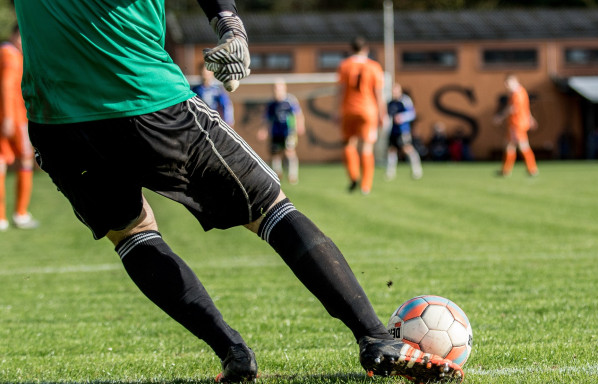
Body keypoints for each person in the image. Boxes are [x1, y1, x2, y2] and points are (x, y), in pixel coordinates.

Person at [15, 1, 463, 383]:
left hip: (56, 122)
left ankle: (233, 355)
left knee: (131, 233)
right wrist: (229, 23)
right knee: (270, 207)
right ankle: (375, 338)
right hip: (142, 95)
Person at [336, 36, 387, 195]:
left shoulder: (344, 65)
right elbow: (378, 94)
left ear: (351, 49)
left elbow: (340, 91)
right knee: (366, 147)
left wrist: (336, 110)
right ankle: (366, 185)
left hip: (349, 110)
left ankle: (353, 177)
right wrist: (382, 114)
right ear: (366, 50)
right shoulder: (374, 67)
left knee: (348, 144)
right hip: (368, 110)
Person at [0, 24, 38, 231]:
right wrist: (8, 117)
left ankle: (2, 218)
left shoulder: (5, 53)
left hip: (8, 117)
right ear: (16, 35)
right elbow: (6, 86)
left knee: (2, 163)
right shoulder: (10, 55)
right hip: (14, 119)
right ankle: (20, 214)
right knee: (25, 161)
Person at [257, 79, 304, 185]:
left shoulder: (290, 101)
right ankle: (277, 173)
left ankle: (293, 175)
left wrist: (300, 125)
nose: (276, 90)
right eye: (275, 88)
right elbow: (266, 119)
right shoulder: (271, 104)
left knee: (289, 151)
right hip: (275, 131)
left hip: (289, 131)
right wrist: (263, 130)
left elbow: (298, 114)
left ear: (284, 88)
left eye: (279, 88)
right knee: (275, 153)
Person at [493, 74, 539, 176]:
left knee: (522, 146)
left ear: (514, 81)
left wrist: (500, 117)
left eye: (508, 83)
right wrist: (530, 118)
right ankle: (506, 170)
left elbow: (513, 108)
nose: (507, 86)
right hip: (519, 123)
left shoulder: (517, 94)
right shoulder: (522, 92)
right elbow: (526, 108)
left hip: (517, 124)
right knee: (510, 146)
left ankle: (532, 169)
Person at [385, 83, 422, 180]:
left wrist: (402, 117)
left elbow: (412, 113)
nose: (394, 92)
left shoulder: (405, 101)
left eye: (396, 90)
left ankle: (416, 170)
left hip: (403, 130)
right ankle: (390, 173)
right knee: (391, 150)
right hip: (393, 131)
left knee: (407, 148)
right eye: (393, 90)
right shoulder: (390, 103)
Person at [192, 62, 235, 127]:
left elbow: (226, 106)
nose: (204, 74)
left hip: (214, 124)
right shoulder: (195, 90)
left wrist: (229, 121)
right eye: (202, 71)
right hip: (199, 123)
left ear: (211, 73)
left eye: (207, 72)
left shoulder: (218, 90)